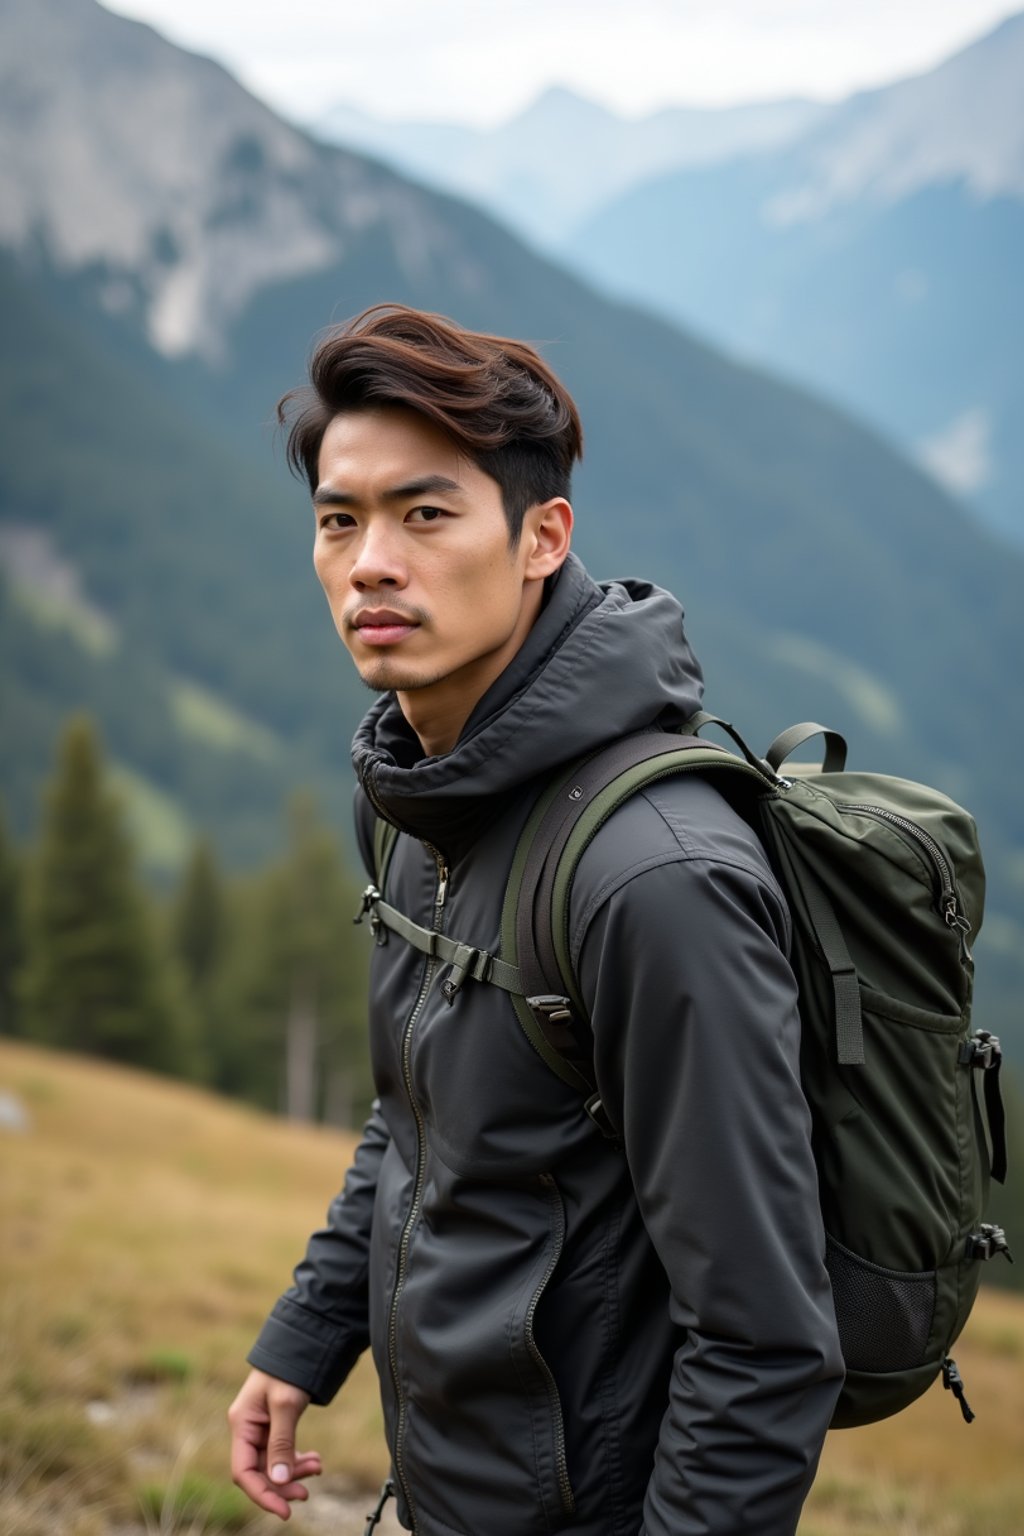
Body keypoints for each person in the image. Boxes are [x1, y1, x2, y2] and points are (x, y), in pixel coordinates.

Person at [228, 305, 844, 1535]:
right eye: (338, 520)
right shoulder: (419, 794)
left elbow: (766, 1343)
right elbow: (423, 1110)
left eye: (426, 513)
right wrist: (309, 1332)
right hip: (457, 1486)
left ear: (540, 538)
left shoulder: (653, 881)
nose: (370, 564)